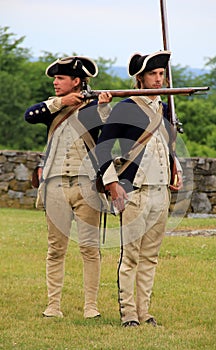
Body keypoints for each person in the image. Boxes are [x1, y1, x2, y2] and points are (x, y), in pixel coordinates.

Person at [95, 50, 183, 327]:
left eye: (161, 74)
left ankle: (145, 312)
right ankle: (129, 313)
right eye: (153, 75)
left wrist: (175, 167)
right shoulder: (126, 107)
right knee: (131, 255)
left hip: (160, 191)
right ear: (140, 78)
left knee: (150, 256)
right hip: (135, 191)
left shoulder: (165, 107)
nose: (159, 79)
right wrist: (111, 183)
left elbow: (166, 146)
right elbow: (102, 149)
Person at [25, 56, 112, 319]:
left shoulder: (95, 106)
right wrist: (62, 102)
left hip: (86, 186)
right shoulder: (54, 107)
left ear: (76, 81)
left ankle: (91, 307)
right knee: (56, 249)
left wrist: (104, 108)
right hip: (55, 185)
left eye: (60, 78)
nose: (55, 82)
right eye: (55, 78)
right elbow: (30, 115)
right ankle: (53, 306)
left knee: (89, 248)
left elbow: (108, 134)